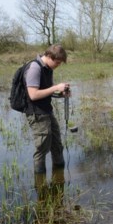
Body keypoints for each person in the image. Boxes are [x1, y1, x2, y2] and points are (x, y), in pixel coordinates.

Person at [24, 44, 70, 174]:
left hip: (47, 111)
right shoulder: (34, 68)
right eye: (57, 62)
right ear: (49, 56)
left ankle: (59, 175)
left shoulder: (47, 68)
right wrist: (56, 87)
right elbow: (33, 95)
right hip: (36, 113)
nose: (58, 65)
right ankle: (40, 182)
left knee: (57, 145)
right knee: (42, 149)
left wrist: (61, 94)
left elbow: (45, 91)